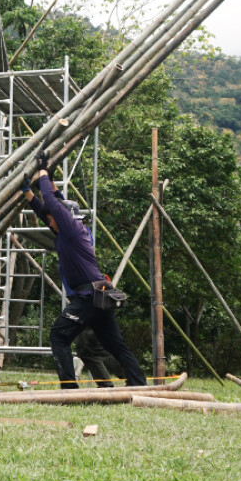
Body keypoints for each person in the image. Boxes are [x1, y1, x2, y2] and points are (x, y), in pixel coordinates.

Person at [21, 154, 147, 389]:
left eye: (52, 218)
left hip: (88, 297)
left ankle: (69, 389)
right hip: (98, 295)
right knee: (114, 344)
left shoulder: (71, 228)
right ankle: (138, 383)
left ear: (63, 217)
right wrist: (28, 193)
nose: (49, 222)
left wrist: (43, 172)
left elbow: (50, 199)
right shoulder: (68, 231)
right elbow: (45, 208)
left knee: (59, 336)